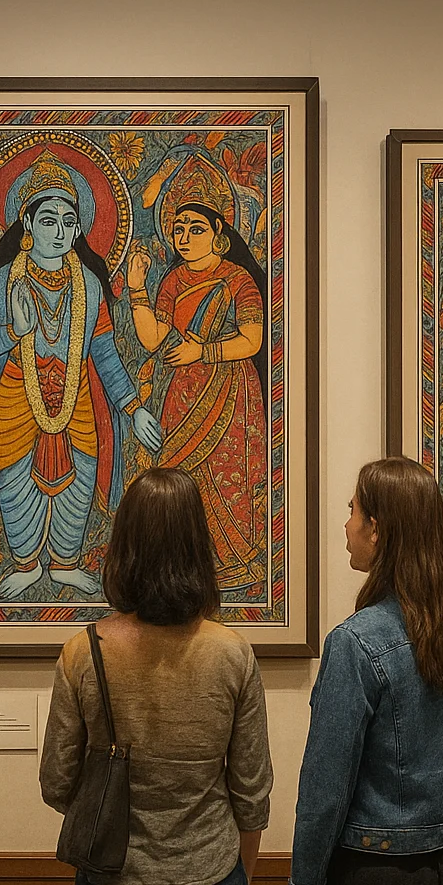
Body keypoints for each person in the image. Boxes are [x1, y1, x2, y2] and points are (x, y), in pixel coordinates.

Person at [40, 467, 272, 885]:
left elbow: (57, 785)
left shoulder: (84, 651)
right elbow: (253, 797)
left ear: (124, 546)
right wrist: (238, 884)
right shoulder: (233, 654)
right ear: (198, 547)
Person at [286, 456, 443, 885]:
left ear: (377, 530)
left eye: (353, 510)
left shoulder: (356, 642)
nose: (346, 524)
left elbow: (326, 788)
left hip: (372, 884)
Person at [0, 149, 162, 599]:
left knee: (81, 479)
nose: (60, 232)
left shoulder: (88, 285)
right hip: (14, 400)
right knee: (15, 480)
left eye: (69, 222)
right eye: (48, 220)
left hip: (76, 404)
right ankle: (27, 565)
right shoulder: (1, 282)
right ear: (27, 224)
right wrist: (13, 331)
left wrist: (133, 407)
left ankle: (66, 565)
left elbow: (105, 352)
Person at [126, 154, 269, 594]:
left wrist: (203, 351)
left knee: (224, 477)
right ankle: (181, 572)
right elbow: (153, 339)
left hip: (228, 391)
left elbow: (252, 340)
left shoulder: (238, 279)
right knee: (177, 478)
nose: (185, 238)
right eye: (179, 229)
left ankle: (233, 564)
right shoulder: (171, 280)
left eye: (196, 229)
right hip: (181, 392)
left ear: (219, 235)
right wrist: (137, 288)